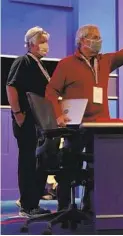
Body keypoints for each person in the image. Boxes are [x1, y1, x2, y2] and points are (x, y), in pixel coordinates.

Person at [45, 23, 123, 212]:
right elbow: (51, 91)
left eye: (99, 37)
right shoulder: (66, 64)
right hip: (75, 126)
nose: (98, 41)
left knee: (98, 168)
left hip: (101, 125)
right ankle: (64, 208)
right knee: (71, 166)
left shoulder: (105, 61)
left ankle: (89, 205)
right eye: (94, 37)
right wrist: (58, 115)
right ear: (82, 41)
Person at [6, 26, 51, 217]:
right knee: (28, 160)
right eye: (41, 41)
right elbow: (11, 87)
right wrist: (18, 113)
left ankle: (33, 203)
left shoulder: (39, 64)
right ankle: (27, 205)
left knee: (38, 162)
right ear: (31, 43)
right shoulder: (22, 62)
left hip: (40, 121)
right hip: (26, 120)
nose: (45, 45)